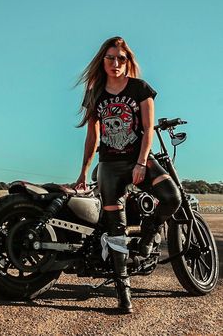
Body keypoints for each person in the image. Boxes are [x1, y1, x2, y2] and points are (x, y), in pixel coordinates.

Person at [75, 36, 181, 314]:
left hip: (138, 162)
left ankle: (147, 239)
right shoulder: (95, 92)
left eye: (121, 58)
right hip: (109, 167)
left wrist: (141, 163)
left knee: (172, 197)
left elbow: (147, 130)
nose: (115, 63)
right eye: (110, 58)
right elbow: (92, 136)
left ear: (127, 61)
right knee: (116, 232)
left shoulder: (140, 89)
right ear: (103, 60)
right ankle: (124, 297)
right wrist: (84, 172)